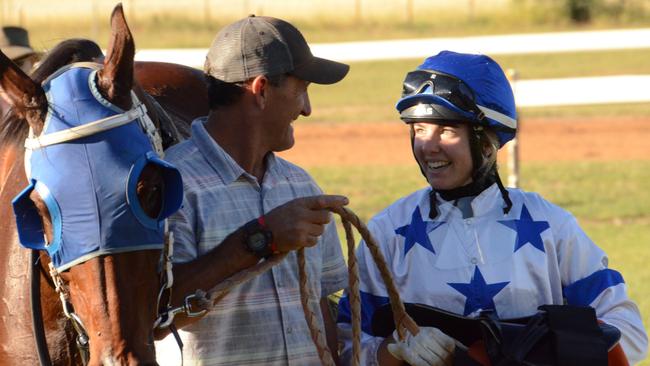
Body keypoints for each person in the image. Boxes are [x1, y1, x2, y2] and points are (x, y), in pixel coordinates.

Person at [337, 51, 647, 365]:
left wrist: (535, 349)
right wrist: (390, 350)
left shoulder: (553, 225)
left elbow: (629, 332)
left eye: (446, 130)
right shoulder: (386, 233)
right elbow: (343, 344)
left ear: (487, 143)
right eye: (418, 129)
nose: (428, 146)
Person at [155, 15, 350, 365]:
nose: (306, 109)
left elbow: (321, 305)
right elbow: (159, 315)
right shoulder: (170, 185)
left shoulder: (300, 185)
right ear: (260, 91)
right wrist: (261, 239)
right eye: (301, 89)